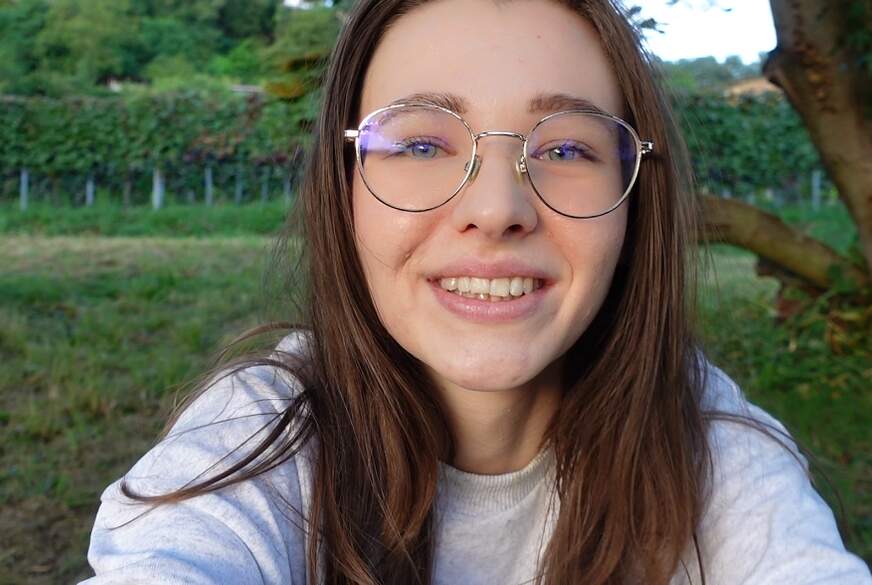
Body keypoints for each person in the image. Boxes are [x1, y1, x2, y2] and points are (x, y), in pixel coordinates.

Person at [80, 1, 872, 584]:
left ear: (635, 199)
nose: (496, 209)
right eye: (422, 143)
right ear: (342, 187)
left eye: (566, 148)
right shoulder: (261, 432)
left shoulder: (710, 444)